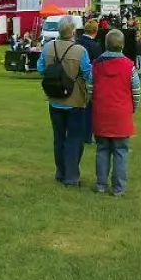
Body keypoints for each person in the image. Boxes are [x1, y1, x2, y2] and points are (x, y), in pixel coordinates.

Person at [37, 15, 92, 188]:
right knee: (74, 139)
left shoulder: (48, 47)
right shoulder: (80, 51)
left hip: (54, 100)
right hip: (75, 100)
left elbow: (40, 69)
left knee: (58, 138)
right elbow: (88, 74)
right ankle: (72, 176)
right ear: (74, 31)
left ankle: (60, 172)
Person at [91, 29, 141, 196]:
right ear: (122, 45)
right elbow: (136, 92)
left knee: (102, 150)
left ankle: (101, 185)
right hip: (121, 114)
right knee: (121, 152)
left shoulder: (96, 65)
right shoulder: (129, 67)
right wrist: (132, 109)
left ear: (106, 44)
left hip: (101, 113)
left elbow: (90, 89)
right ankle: (118, 189)